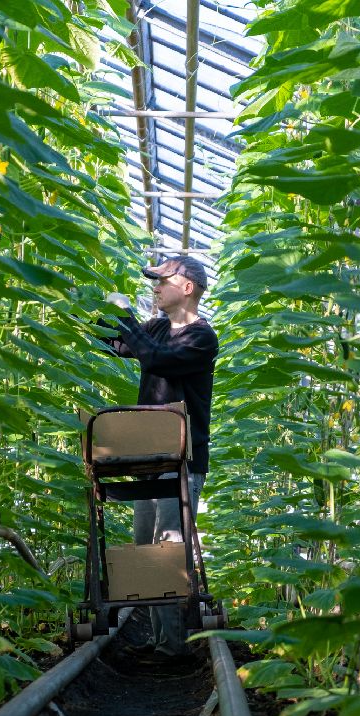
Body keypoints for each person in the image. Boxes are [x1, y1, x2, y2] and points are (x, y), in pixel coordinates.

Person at [101, 255, 218, 656]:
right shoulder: (155, 328)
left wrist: (128, 315)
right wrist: (102, 311)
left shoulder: (201, 337)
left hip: (182, 458)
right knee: (144, 547)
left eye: (161, 280)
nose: (155, 287)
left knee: (166, 546)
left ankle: (175, 647)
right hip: (147, 453)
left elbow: (157, 359)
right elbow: (118, 346)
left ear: (187, 288)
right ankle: (159, 640)